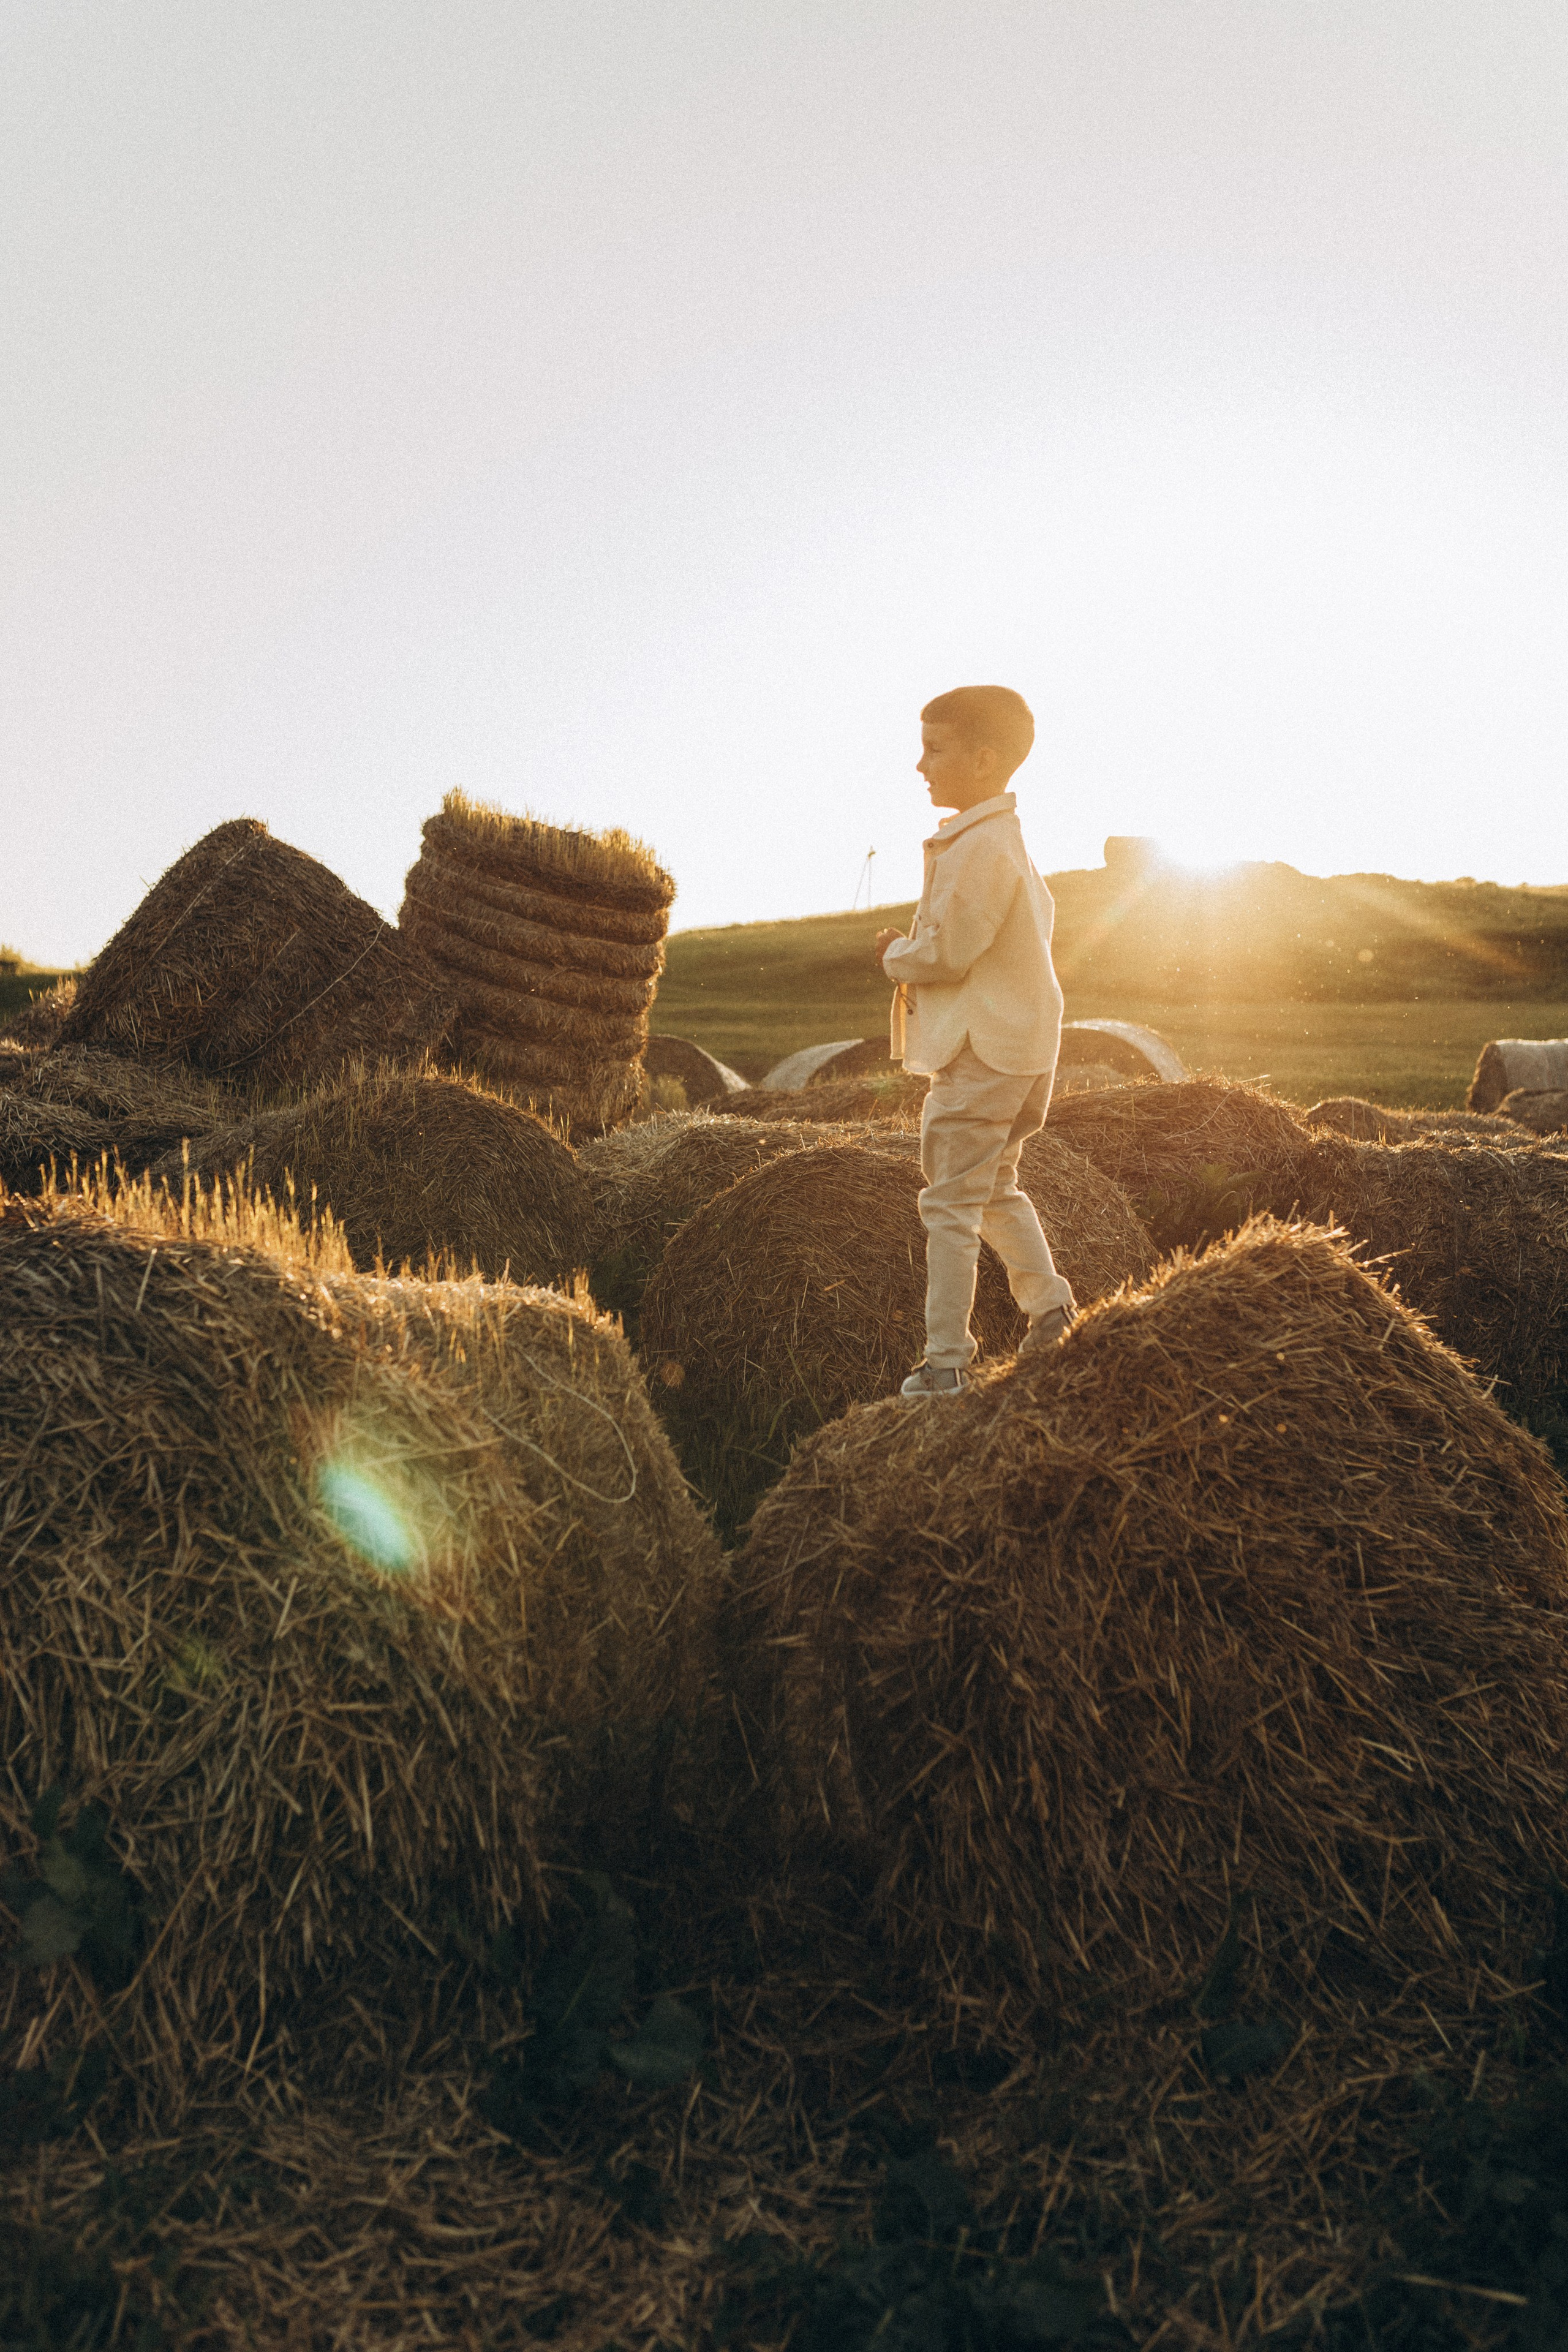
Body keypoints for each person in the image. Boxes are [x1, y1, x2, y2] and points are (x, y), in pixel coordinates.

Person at [875, 684, 1075, 1397]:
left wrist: (897, 953)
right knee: (994, 1188)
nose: (920, 765)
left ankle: (945, 1363)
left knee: (948, 1206)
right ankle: (1050, 1310)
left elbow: (949, 951)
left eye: (935, 749)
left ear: (984, 760)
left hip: (982, 1051)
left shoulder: (980, 846)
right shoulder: (1005, 841)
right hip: (1023, 1050)